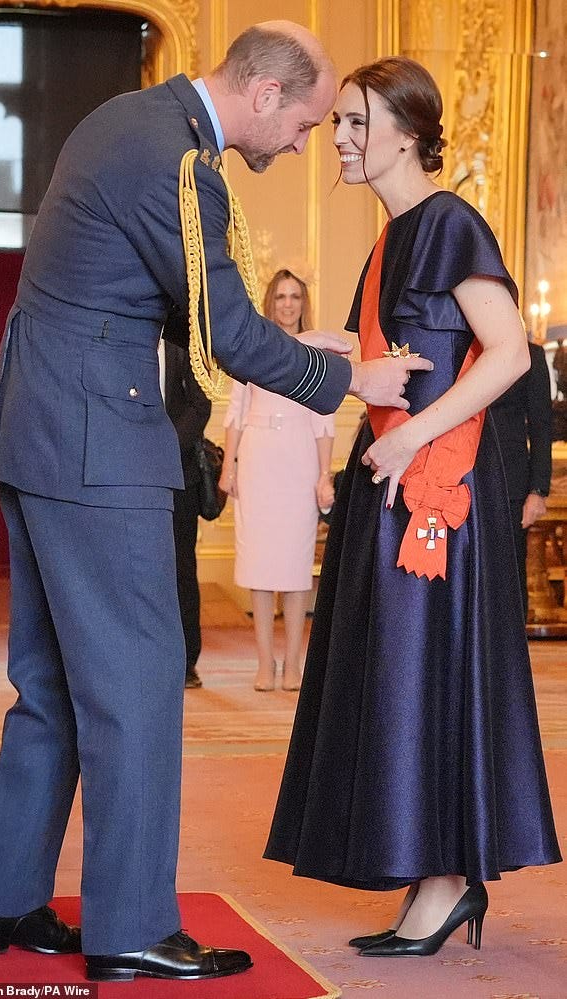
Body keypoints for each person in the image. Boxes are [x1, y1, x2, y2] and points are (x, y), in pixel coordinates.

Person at [0, 25, 432, 983]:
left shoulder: (127, 120)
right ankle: (131, 927)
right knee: (137, 685)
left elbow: (190, 307)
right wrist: (354, 381)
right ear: (263, 92)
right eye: (301, 122)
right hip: (99, 443)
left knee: (49, 682)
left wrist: (324, 348)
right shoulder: (182, 160)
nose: (301, 143)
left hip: (40, 426)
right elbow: (224, 331)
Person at [265, 56, 561, 959]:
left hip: (435, 493)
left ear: (405, 129)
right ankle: (430, 873)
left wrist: (403, 435)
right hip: (388, 478)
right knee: (399, 675)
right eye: (341, 123)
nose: (341, 140)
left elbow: (508, 353)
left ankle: (445, 879)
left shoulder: (450, 224)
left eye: (356, 122)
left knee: (424, 671)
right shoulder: (393, 237)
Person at [220, 269, 335, 691]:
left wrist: (325, 476)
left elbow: (324, 420)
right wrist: (228, 465)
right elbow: (234, 412)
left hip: (299, 459)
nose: (288, 304)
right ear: (271, 302)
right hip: (258, 457)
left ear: (303, 303)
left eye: (295, 296)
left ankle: (293, 665)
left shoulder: (320, 350)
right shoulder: (252, 346)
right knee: (259, 565)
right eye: (281, 296)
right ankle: (264, 662)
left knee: (295, 567)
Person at [490, 340, 552, 619]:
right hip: (460, 478)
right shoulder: (461, 347)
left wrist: (538, 490)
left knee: (509, 575)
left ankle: (512, 657)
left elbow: (541, 427)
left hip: (511, 482)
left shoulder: (531, 354)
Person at [162, 338, 211, 688]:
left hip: (180, 475)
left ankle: (185, 661)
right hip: (125, 478)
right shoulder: (123, 340)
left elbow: (200, 404)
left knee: (181, 569)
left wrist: (161, 448)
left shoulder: (185, 346)